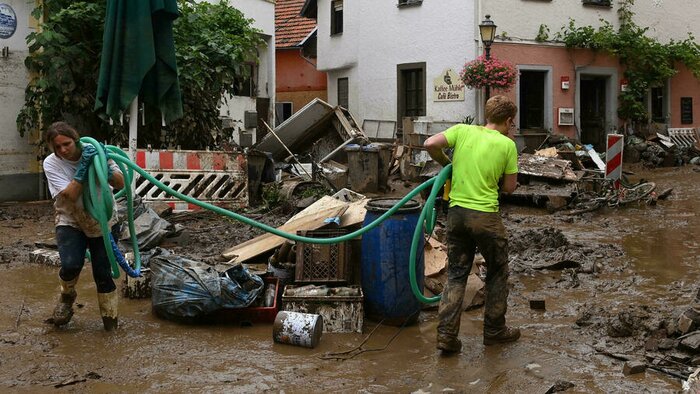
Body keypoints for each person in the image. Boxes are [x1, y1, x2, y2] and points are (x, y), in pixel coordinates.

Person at [424, 95, 520, 353]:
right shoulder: (507, 145)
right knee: (498, 271)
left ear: (487, 115)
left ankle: (446, 336)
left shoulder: (462, 130)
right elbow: (510, 187)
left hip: (457, 214)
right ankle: (495, 331)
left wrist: (448, 164)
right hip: (486, 217)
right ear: (509, 120)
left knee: (456, 274)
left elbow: (430, 142)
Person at [43, 121, 125, 331]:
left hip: (103, 220)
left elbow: (120, 183)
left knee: (103, 274)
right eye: (58, 147)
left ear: (76, 139)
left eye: (67, 144)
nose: (63, 150)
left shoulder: (97, 152)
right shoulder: (51, 163)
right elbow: (70, 195)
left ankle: (110, 325)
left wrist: (103, 166)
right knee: (70, 264)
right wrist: (83, 169)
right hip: (70, 219)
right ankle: (67, 296)